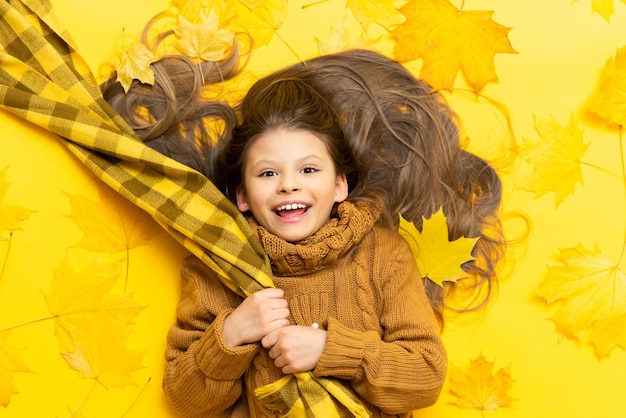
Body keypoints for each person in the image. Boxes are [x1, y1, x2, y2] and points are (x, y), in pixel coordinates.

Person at [101, 31, 505, 416]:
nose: (289, 185)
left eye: (309, 169)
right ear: (242, 195)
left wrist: (330, 349)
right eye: (267, 174)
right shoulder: (220, 265)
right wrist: (231, 335)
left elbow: (425, 376)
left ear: (340, 185)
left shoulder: (381, 254)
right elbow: (187, 401)